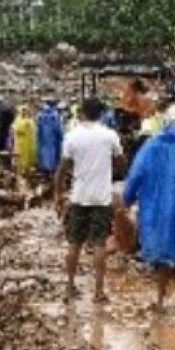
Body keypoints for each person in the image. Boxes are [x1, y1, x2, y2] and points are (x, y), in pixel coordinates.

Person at [55, 97, 124, 303]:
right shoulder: (109, 136)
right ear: (100, 114)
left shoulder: (72, 136)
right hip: (101, 197)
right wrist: (111, 173)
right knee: (100, 244)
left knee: (74, 243)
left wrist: (58, 194)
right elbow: (121, 162)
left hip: (79, 196)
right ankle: (98, 292)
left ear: (81, 113)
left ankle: (69, 287)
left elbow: (62, 169)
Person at [123, 105, 175, 311]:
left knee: (161, 256)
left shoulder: (150, 146)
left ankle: (160, 299)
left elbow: (136, 175)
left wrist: (127, 199)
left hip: (154, 211)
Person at [37, 101, 64, 175]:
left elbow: (38, 129)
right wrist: (61, 137)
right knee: (53, 155)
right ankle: (51, 171)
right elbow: (59, 129)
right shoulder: (55, 116)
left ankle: (45, 170)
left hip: (43, 140)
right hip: (53, 140)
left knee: (44, 155)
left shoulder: (41, 116)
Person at [12, 105, 37, 175]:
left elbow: (34, 130)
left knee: (29, 159)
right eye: (23, 111)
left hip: (29, 143)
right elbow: (17, 129)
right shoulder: (17, 120)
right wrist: (25, 124)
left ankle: (27, 172)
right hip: (21, 144)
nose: (25, 112)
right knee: (20, 160)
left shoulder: (30, 120)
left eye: (26, 111)